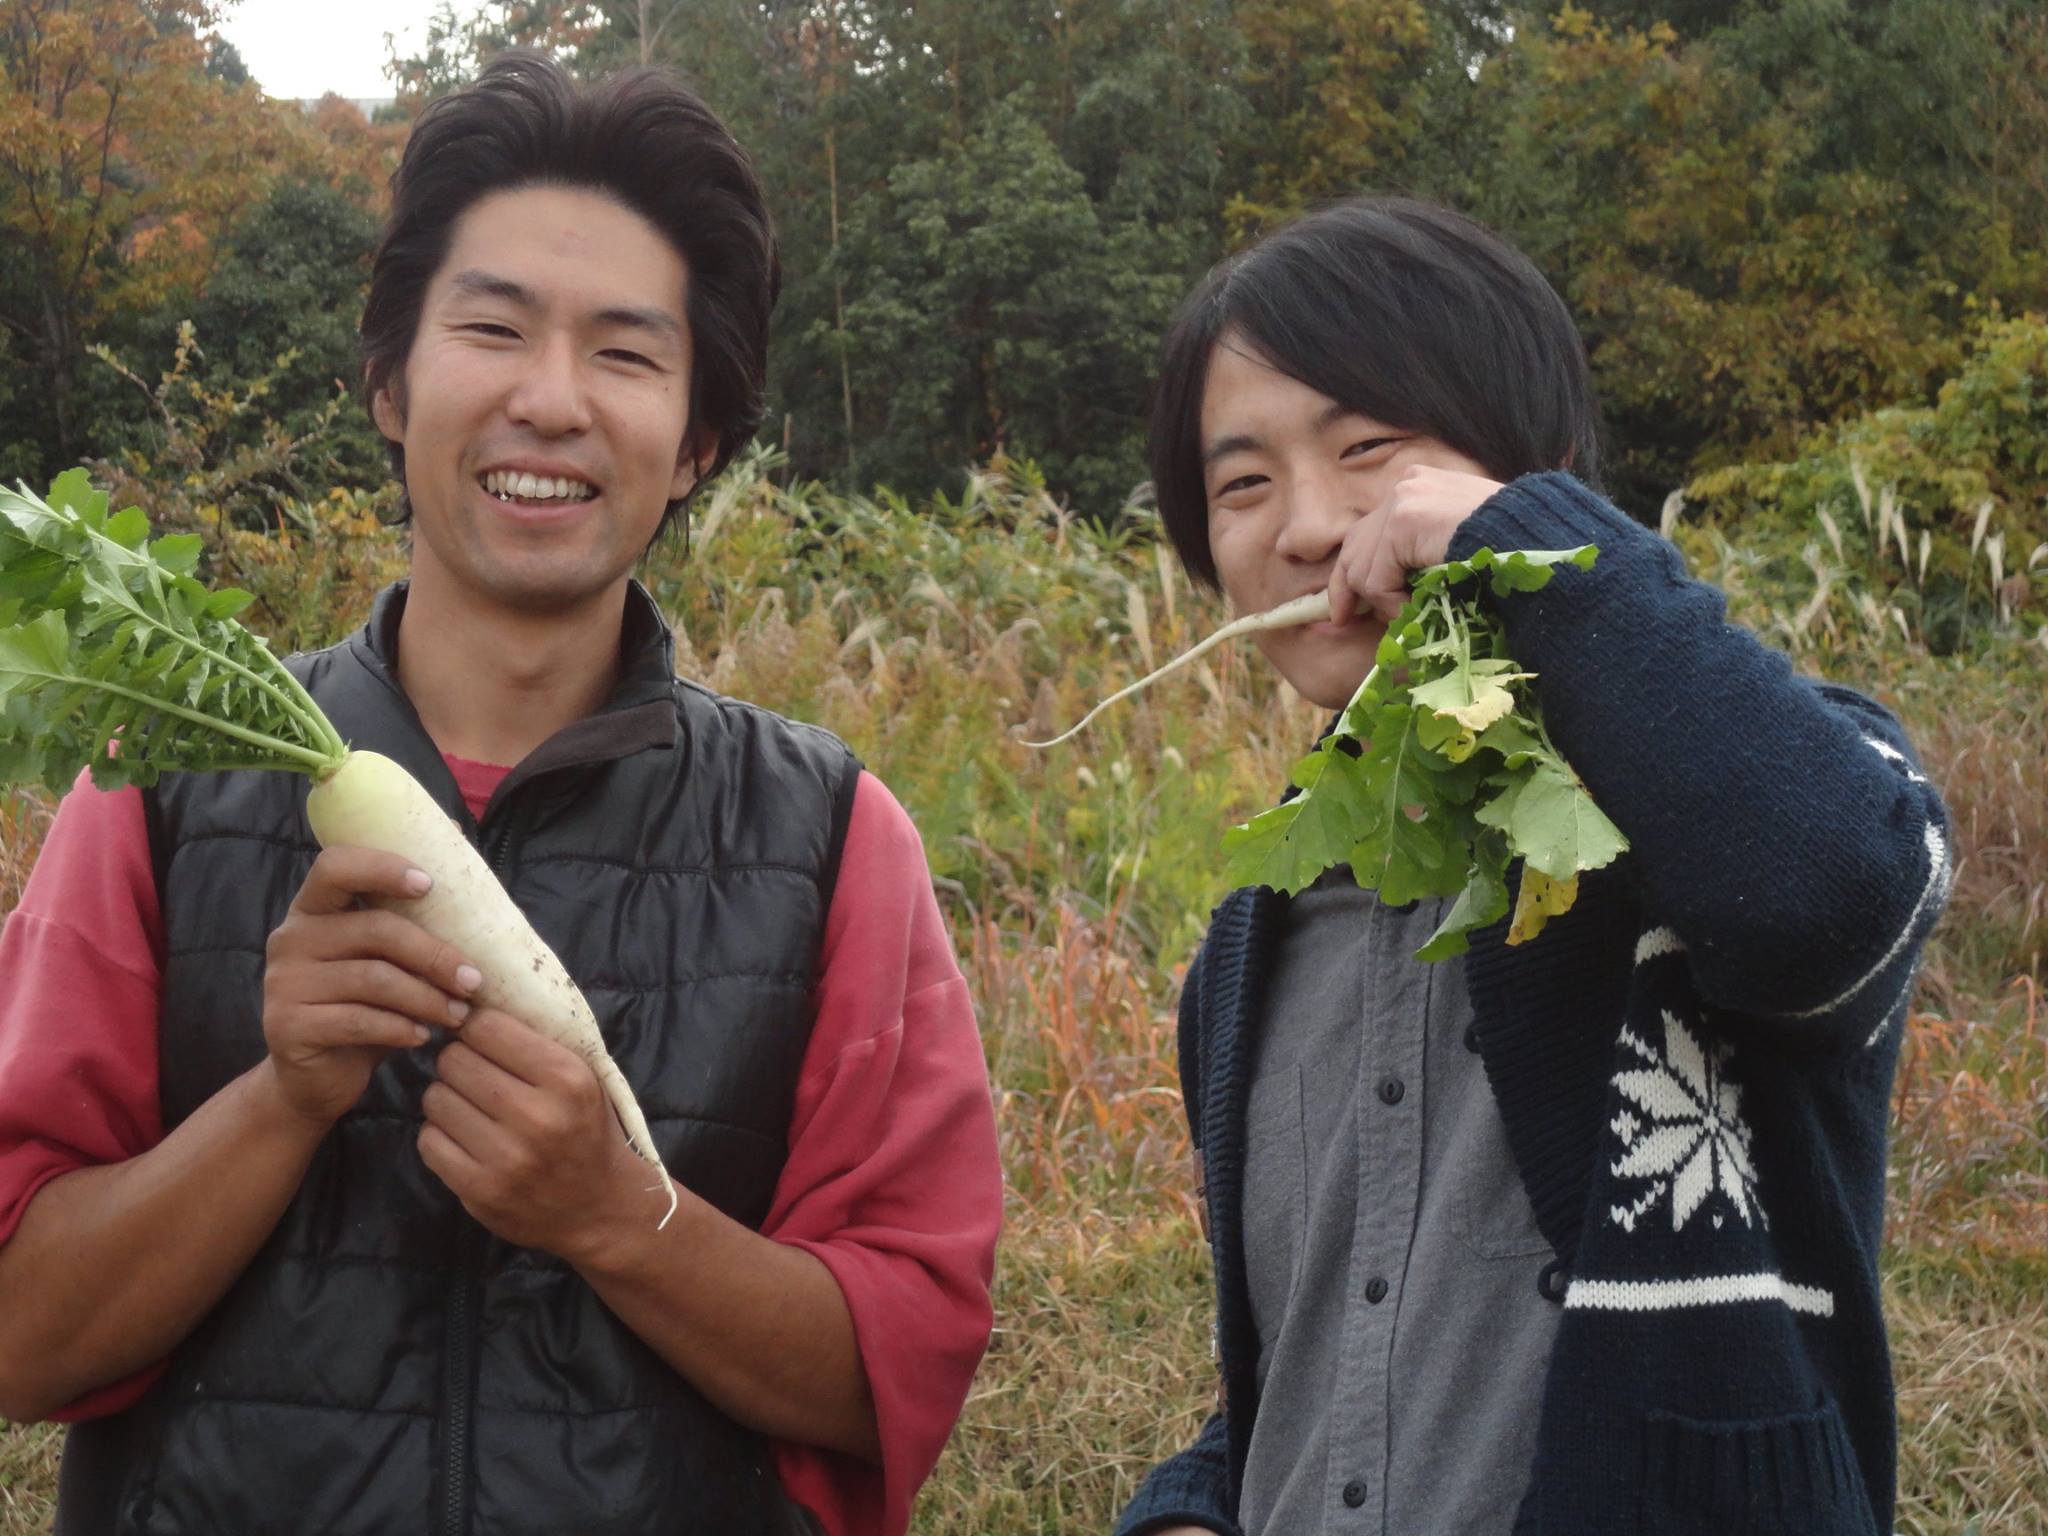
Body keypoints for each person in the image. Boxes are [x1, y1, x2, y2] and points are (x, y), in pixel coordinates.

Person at [0, 53, 1000, 1536]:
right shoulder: (155, 792)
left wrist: (616, 1217)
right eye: (493, 329)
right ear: (393, 386)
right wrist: (285, 1100)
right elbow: (24, 1335)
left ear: (698, 442)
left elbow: (895, 1374)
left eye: (625, 352)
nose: (550, 400)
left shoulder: (830, 835)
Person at [1115, 198, 1951, 1536]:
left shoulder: (1723, 812)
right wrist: (1194, 1505)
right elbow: (1334, 1347)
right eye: (1244, 484)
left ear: (1532, 471)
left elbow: (1830, 892)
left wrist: (1545, 553)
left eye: (1370, 449)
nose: (1311, 527)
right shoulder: (1243, 958)